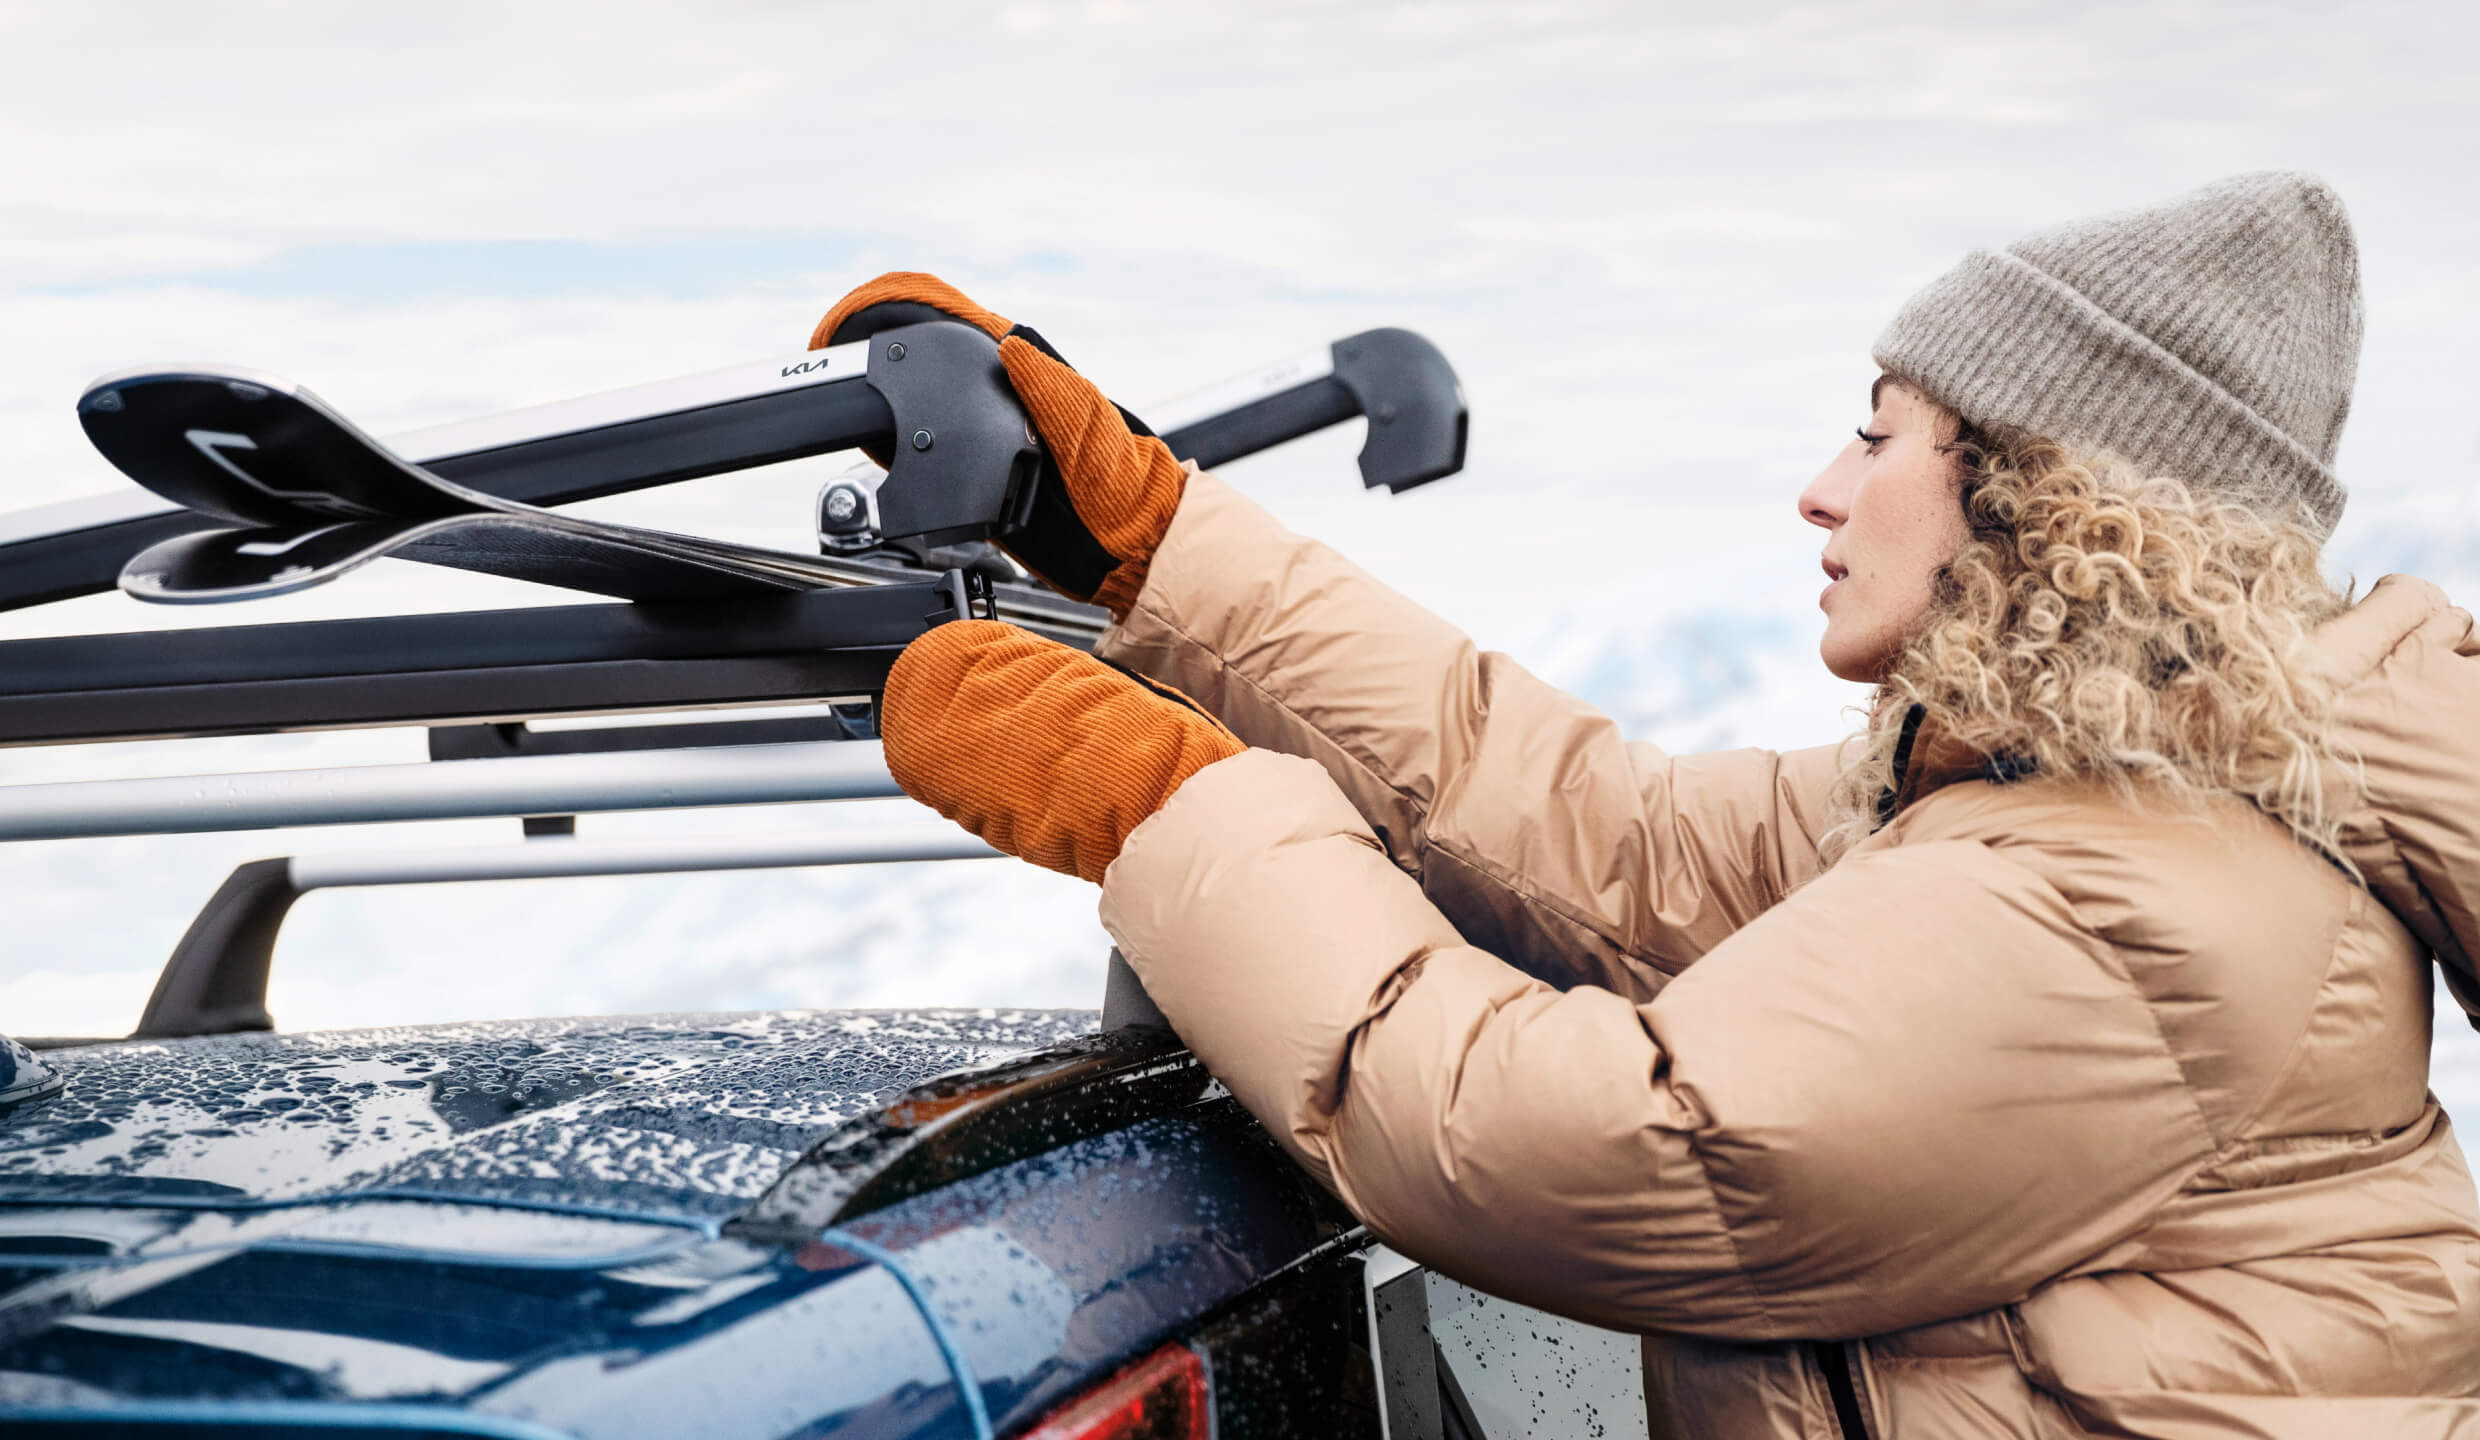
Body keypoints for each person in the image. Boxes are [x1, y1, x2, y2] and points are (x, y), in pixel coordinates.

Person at [813, 172, 2480, 1435]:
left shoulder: (2128, 905)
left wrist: (1165, 803)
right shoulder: (2090, 801)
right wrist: (1165, 547)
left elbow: (1576, 1143)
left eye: (1879, 434)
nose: (1822, 489)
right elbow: (1616, 834)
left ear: (2038, 490)